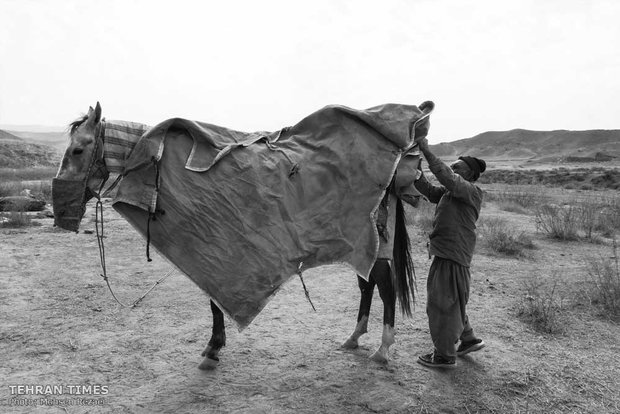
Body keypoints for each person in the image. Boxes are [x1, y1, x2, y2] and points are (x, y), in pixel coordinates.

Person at [413, 135, 487, 369]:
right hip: (450, 253)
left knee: (441, 303)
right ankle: (468, 339)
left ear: (469, 174)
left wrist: (425, 149)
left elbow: (445, 175)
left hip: (452, 254)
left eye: (457, 167)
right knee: (452, 300)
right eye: (453, 166)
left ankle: (444, 355)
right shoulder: (450, 193)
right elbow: (427, 189)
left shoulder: (471, 191)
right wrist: (415, 166)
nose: (452, 168)